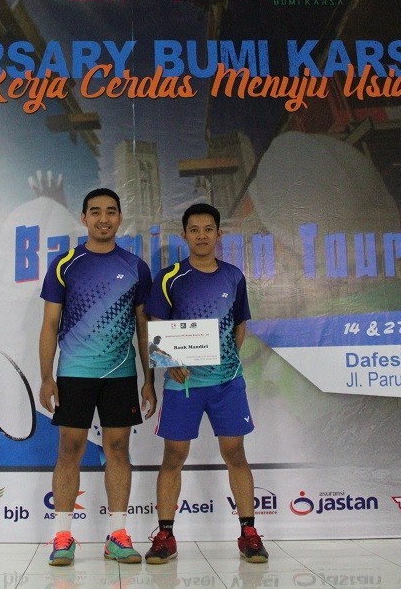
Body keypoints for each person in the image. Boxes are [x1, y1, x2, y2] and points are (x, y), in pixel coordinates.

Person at [143, 202, 268, 564]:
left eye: (208, 229)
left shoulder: (233, 277)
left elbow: (240, 326)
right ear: (184, 235)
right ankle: (165, 536)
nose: (201, 236)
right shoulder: (169, 278)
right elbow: (156, 326)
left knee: (235, 453)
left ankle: (249, 534)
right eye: (194, 230)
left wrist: (223, 360)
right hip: (182, 386)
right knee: (174, 456)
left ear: (219, 234)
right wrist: (170, 361)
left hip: (227, 384)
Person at [38, 188, 156, 566]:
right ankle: (62, 537)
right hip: (74, 372)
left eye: (110, 211)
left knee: (118, 449)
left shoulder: (136, 267)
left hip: (121, 374)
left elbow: (144, 326)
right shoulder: (65, 264)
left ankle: (118, 535)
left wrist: (149, 379)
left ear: (120, 217)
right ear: (84, 217)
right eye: (95, 212)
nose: (103, 218)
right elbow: (50, 324)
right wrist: (46, 377)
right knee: (69, 449)